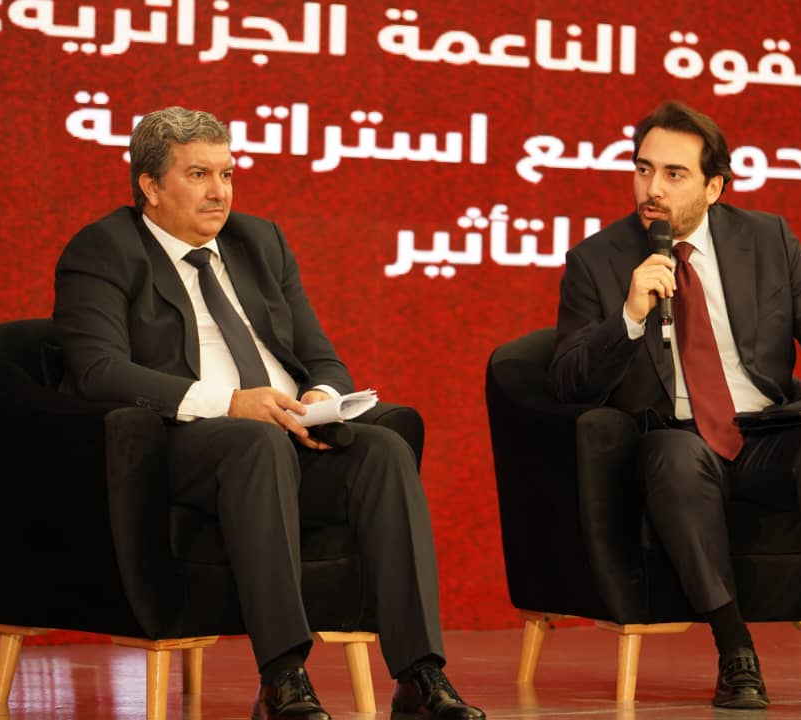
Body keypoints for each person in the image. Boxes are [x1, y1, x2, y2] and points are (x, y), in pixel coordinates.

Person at [53, 107, 484, 720]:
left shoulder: (259, 242)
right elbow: (96, 369)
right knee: (253, 444)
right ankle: (283, 677)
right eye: (198, 174)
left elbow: (320, 357)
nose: (219, 191)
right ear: (150, 186)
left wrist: (321, 398)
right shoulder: (104, 249)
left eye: (227, 174)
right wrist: (230, 404)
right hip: (188, 445)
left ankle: (420, 675)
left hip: (287, 434)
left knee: (383, 451)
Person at [550, 100, 801, 714]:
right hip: (676, 436)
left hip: (764, 432)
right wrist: (627, 317)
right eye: (643, 169)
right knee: (674, 458)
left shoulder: (767, 240)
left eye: (674, 174)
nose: (653, 189)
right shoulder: (596, 261)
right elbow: (567, 381)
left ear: (714, 187)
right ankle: (735, 652)